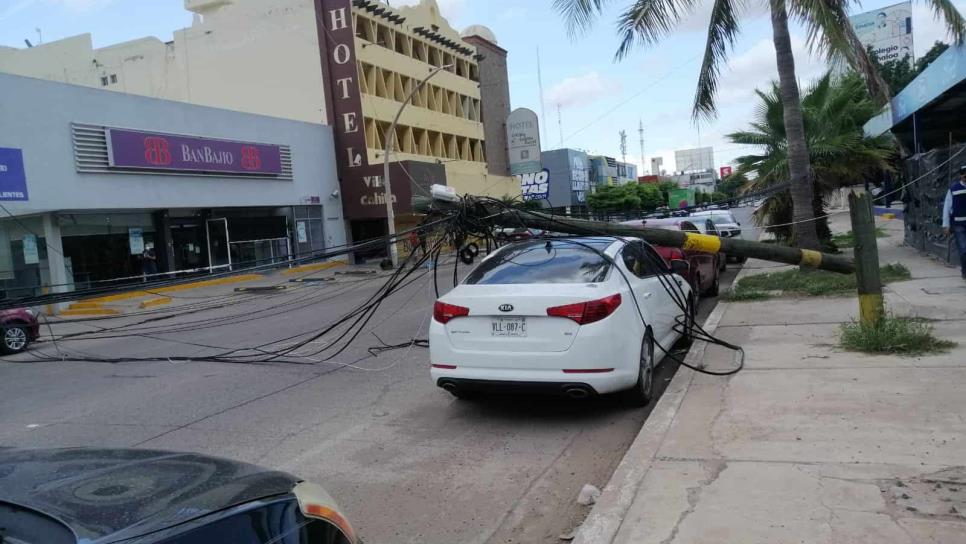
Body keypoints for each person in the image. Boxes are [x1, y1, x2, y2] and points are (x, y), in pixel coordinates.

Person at [942, 166, 966, 279]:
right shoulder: (954, 189)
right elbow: (947, 208)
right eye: (963, 173)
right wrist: (946, 225)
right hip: (958, 225)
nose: (965, 175)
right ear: (960, 175)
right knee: (963, 249)